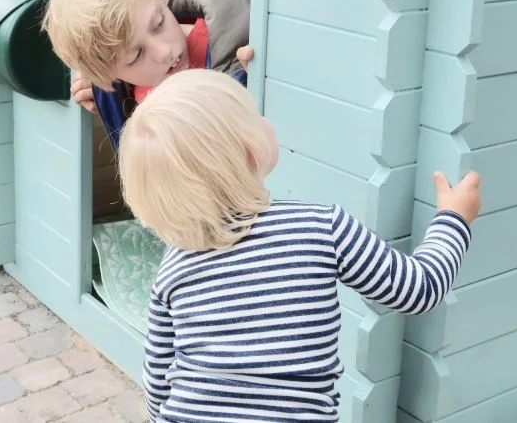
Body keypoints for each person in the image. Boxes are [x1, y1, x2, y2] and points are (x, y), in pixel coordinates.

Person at [117, 68, 482, 423]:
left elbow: (158, 381)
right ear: (250, 153)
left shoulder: (174, 266)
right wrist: (454, 217)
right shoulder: (322, 227)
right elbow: (419, 289)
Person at [42, 0, 253, 150]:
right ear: (110, 77)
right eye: (136, 56)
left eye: (159, 23)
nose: (163, 52)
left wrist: (250, 82)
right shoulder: (131, 102)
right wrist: (106, 102)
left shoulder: (230, 50)